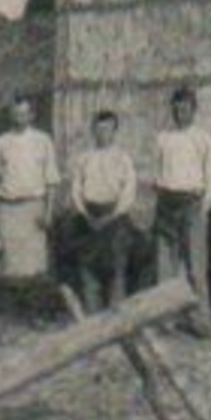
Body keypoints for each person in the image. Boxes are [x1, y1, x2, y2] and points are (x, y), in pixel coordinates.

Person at [152, 86, 211, 337]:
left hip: (193, 204)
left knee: (195, 268)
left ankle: (201, 322)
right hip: (167, 203)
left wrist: (204, 207)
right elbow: (157, 173)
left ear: (194, 110)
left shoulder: (203, 139)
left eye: (186, 108)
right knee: (165, 267)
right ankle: (166, 322)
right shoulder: (163, 138)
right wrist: (160, 194)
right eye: (177, 108)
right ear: (172, 110)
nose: (181, 113)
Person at [68, 109, 137, 314]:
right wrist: (85, 214)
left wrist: (113, 215)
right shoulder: (84, 158)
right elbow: (76, 189)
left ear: (114, 131)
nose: (102, 134)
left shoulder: (122, 158)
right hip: (90, 216)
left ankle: (116, 317)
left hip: (115, 216)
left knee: (116, 268)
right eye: (98, 129)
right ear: (92, 131)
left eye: (107, 129)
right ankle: (93, 317)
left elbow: (129, 191)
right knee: (88, 268)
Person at [0, 95, 60, 286]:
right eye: (16, 113)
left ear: (32, 115)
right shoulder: (2, 141)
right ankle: (11, 312)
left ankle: (32, 312)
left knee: (34, 265)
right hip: (8, 209)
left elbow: (51, 180)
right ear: (11, 115)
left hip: (34, 207)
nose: (20, 117)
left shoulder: (43, 140)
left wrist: (49, 213)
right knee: (10, 265)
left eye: (24, 113)